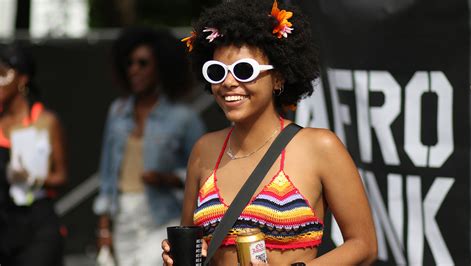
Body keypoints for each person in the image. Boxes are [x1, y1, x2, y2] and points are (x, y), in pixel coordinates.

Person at [162, 0, 378, 265]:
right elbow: (192, 243)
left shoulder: (320, 147)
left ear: (278, 78)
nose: (229, 82)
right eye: (217, 72)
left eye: (244, 70)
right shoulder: (203, 150)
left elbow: (364, 245)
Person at [93, 27, 205, 266]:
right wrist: (104, 229)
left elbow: (205, 175)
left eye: (143, 63)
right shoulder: (118, 112)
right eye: (129, 63)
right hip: (123, 216)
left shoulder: (183, 118)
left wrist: (169, 178)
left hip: (162, 215)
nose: (134, 69)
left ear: (161, 68)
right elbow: (107, 175)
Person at [0, 44, 67, 266]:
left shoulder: (45, 122)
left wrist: (31, 177)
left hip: (37, 227)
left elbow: (61, 176)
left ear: (22, 79)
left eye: (2, 74)